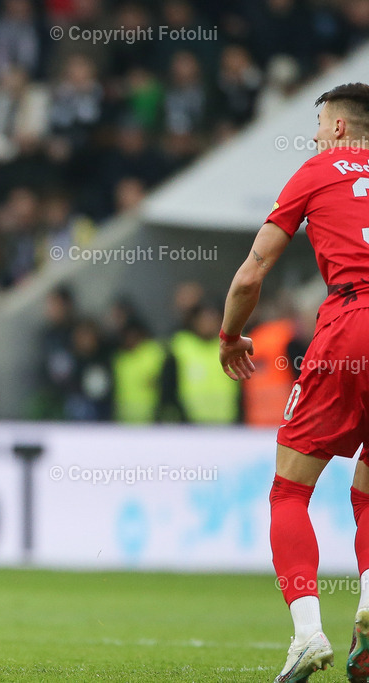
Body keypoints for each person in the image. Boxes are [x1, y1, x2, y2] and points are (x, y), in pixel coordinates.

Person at [218, 82, 369, 683]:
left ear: (336, 128)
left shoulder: (318, 169)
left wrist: (230, 335)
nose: (312, 135)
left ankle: (308, 633)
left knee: (289, 492)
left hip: (351, 323)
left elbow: (253, 273)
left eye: (318, 123)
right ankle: (367, 603)